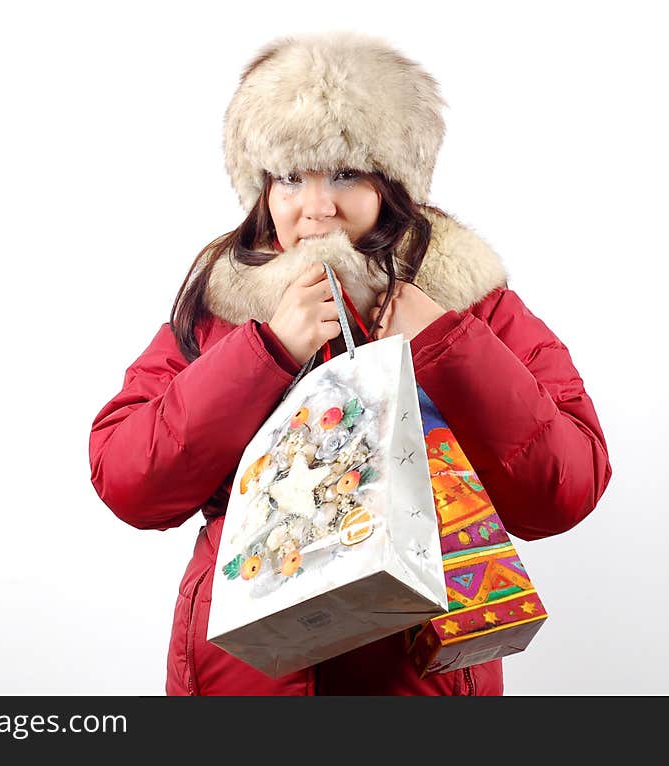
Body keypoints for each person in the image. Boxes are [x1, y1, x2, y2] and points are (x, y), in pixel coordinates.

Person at [88, 30, 612, 695]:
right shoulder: (223, 310)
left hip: (416, 682)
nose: (316, 207)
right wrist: (265, 352)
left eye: (344, 173)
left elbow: (563, 491)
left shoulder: (472, 305)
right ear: (261, 189)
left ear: (393, 183)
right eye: (288, 177)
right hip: (242, 679)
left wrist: (449, 345)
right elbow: (127, 479)